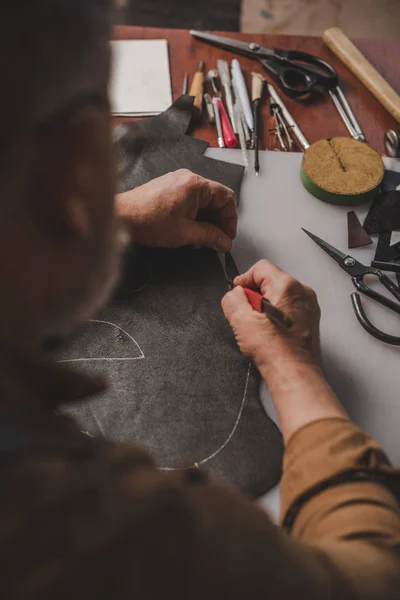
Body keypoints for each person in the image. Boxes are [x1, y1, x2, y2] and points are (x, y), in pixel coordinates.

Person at [0, 1, 399, 598]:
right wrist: (292, 369)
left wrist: (116, 216)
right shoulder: (111, 531)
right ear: (72, 164)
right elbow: (375, 575)